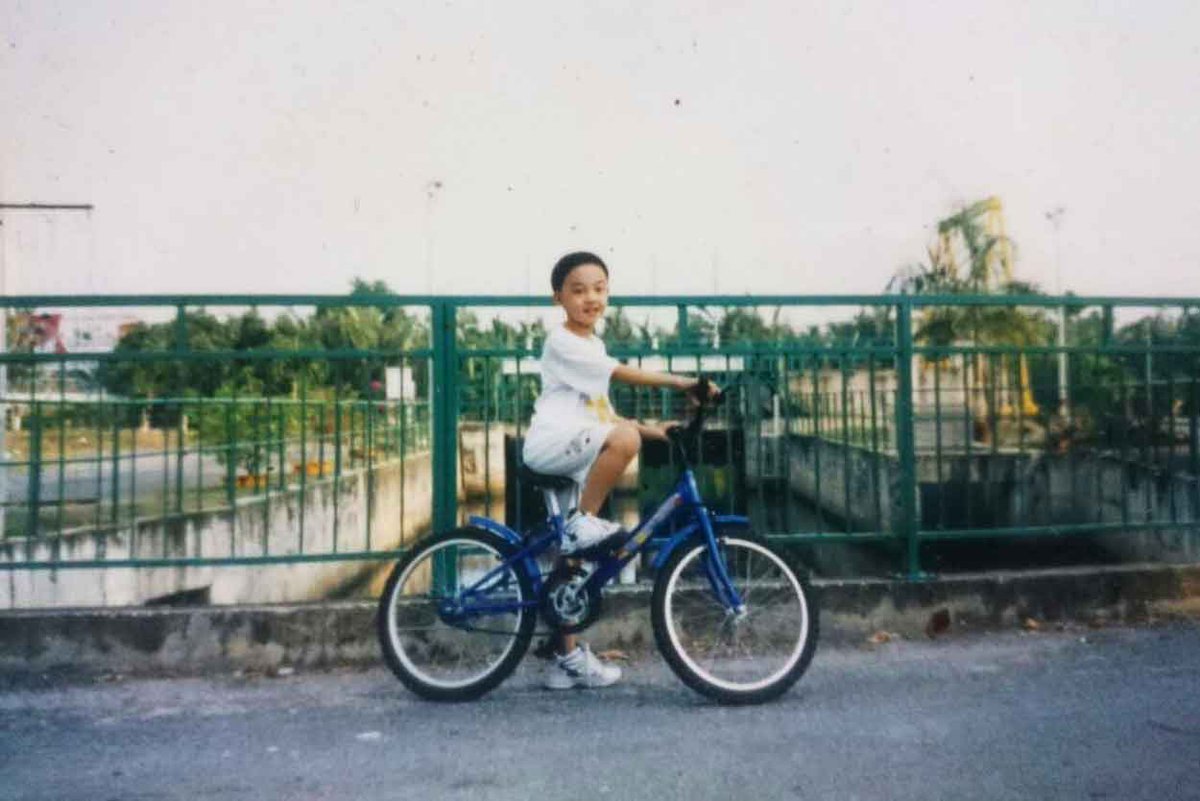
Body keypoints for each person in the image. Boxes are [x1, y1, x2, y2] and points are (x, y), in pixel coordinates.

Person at [522, 251, 716, 690]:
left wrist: (657, 432)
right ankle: (580, 523)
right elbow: (620, 379)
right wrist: (683, 381)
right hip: (553, 445)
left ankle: (564, 659)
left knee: (571, 568)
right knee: (621, 443)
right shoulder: (562, 341)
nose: (591, 297)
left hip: (577, 448)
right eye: (578, 290)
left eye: (599, 288)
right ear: (559, 298)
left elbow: (606, 411)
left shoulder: (592, 344)